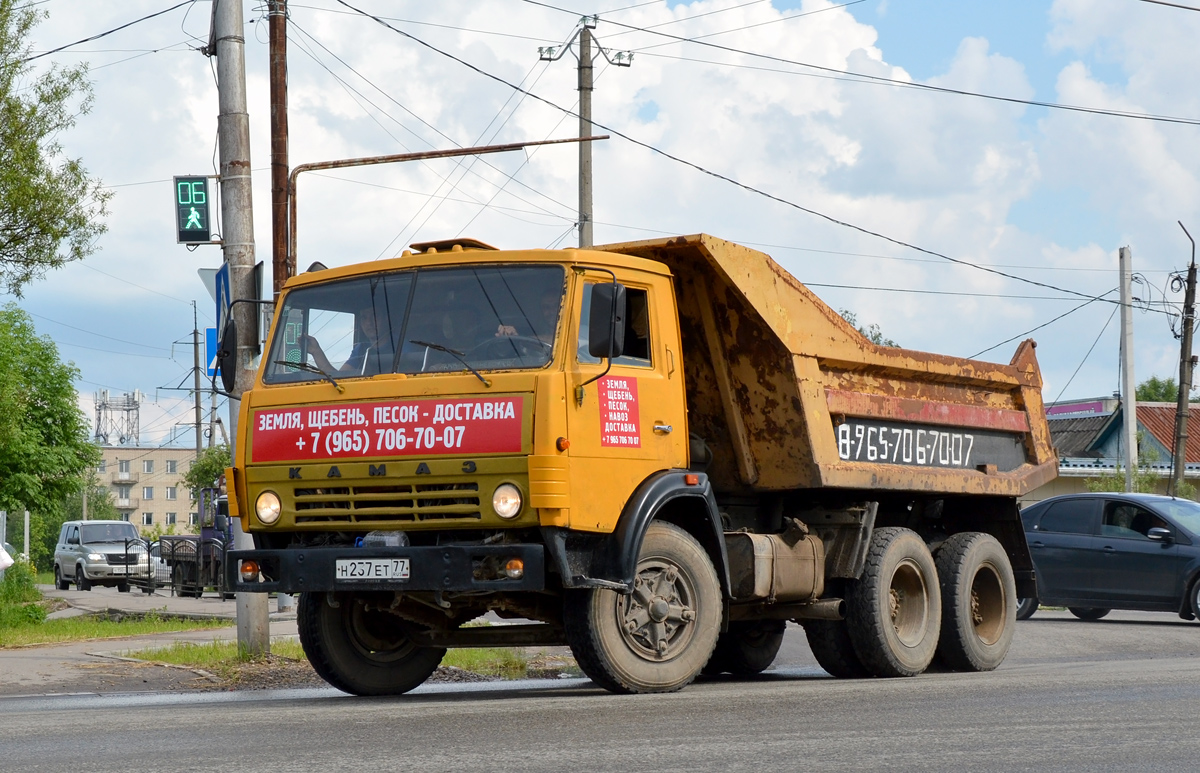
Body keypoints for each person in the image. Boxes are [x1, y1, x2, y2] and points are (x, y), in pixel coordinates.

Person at [304, 306, 386, 375]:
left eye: (374, 316)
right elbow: (339, 378)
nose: (368, 322)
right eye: (364, 317)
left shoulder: (397, 347)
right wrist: (316, 351)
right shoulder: (361, 349)